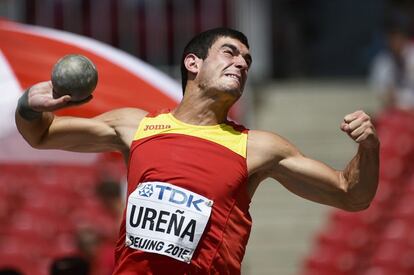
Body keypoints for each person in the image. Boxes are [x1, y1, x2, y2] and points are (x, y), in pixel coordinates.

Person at [15, 28, 380, 275]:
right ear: (193, 63)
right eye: (230, 53)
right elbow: (42, 136)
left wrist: (368, 147)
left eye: (247, 61)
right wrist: (30, 105)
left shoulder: (257, 146)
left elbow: (352, 194)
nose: (241, 63)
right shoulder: (136, 126)